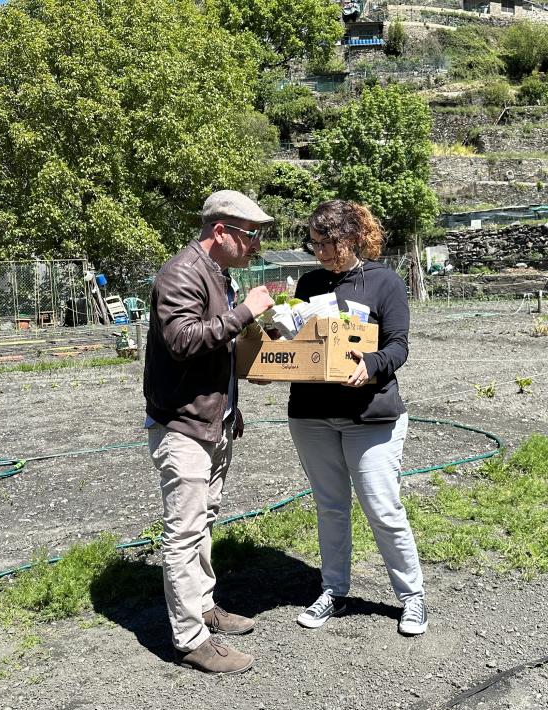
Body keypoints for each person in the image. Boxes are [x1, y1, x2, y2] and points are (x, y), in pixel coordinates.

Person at [143, 190, 276, 674]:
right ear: (220, 231)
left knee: (205, 522)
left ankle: (203, 608)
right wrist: (246, 312)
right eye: (250, 235)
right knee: (184, 531)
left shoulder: (218, 274)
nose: (256, 245)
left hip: (211, 419)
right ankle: (190, 638)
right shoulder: (181, 272)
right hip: (182, 426)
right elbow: (182, 341)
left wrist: (230, 405)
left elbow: (217, 352)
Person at [288, 199, 428, 636]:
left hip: (370, 416)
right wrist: (271, 358)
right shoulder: (309, 283)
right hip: (311, 414)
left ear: (352, 238)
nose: (320, 253)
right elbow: (294, 343)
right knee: (330, 507)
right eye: (314, 244)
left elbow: (399, 345)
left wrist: (371, 364)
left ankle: (412, 598)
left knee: (382, 508)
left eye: (327, 243)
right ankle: (334, 590)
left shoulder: (384, 282)